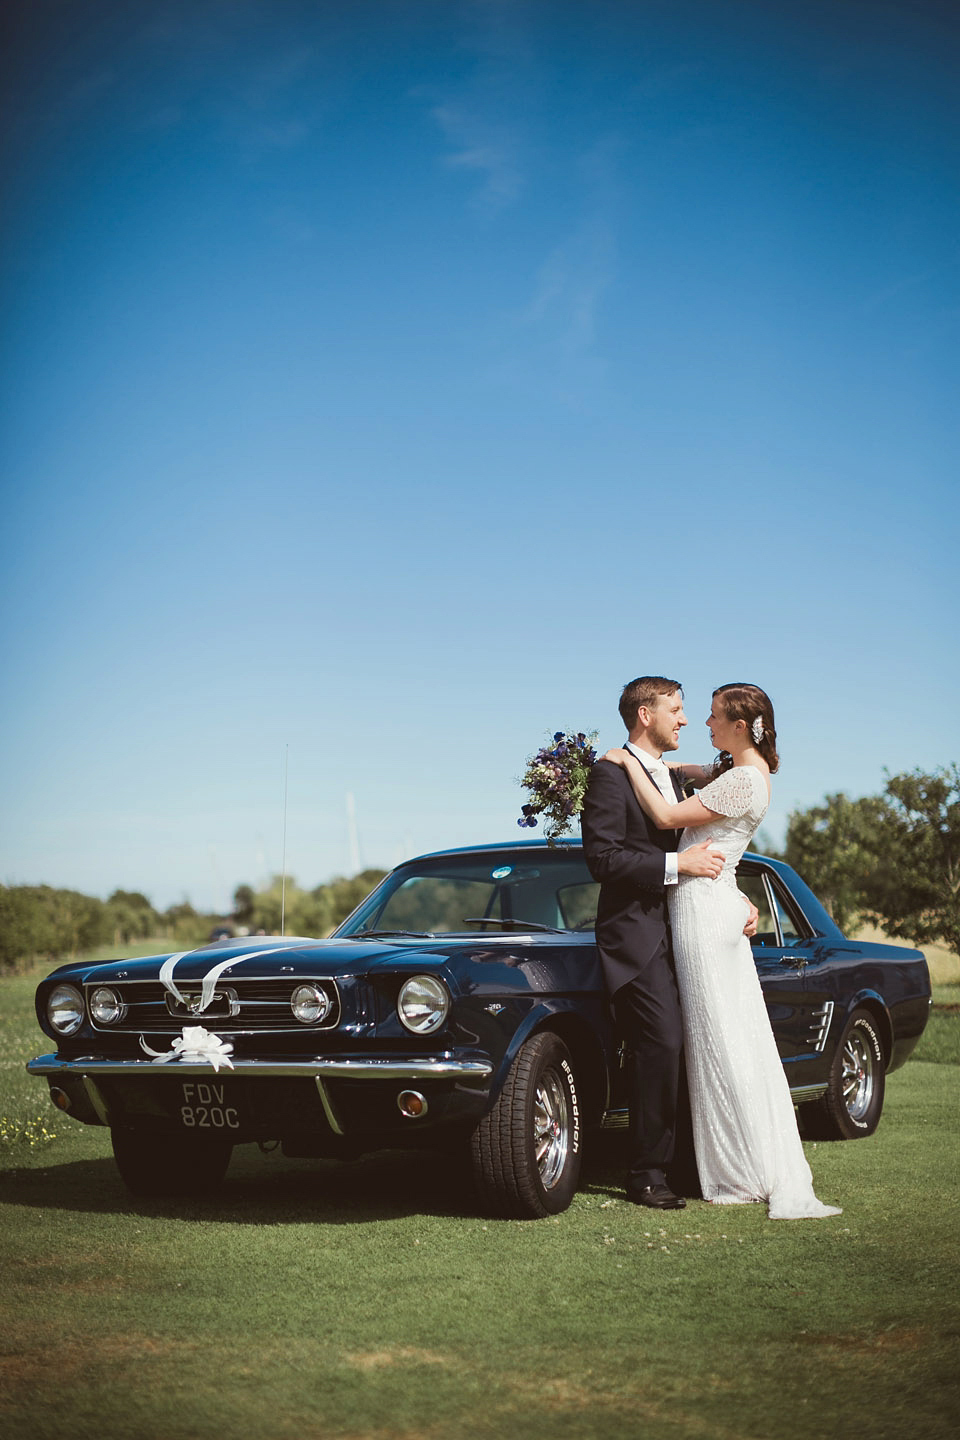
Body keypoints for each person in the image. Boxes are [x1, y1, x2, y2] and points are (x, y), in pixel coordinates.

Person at [601, 682, 841, 1220]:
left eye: (711, 717)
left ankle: (740, 1163)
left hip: (701, 913)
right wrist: (741, 899)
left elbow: (665, 819)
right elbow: (690, 789)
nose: (701, 723)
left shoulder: (742, 781)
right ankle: (715, 1158)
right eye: (689, 712)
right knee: (715, 1034)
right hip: (708, 906)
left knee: (721, 1037)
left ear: (740, 725)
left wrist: (624, 761)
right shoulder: (739, 775)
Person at [581, 676, 749, 1211]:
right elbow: (603, 860)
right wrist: (680, 864)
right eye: (675, 710)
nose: (684, 719)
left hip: (689, 931)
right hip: (637, 938)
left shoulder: (670, 778)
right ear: (644, 715)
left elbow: (709, 840)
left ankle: (689, 1165)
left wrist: (736, 900)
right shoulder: (608, 775)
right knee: (663, 1042)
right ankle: (646, 1173)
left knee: (696, 1043)